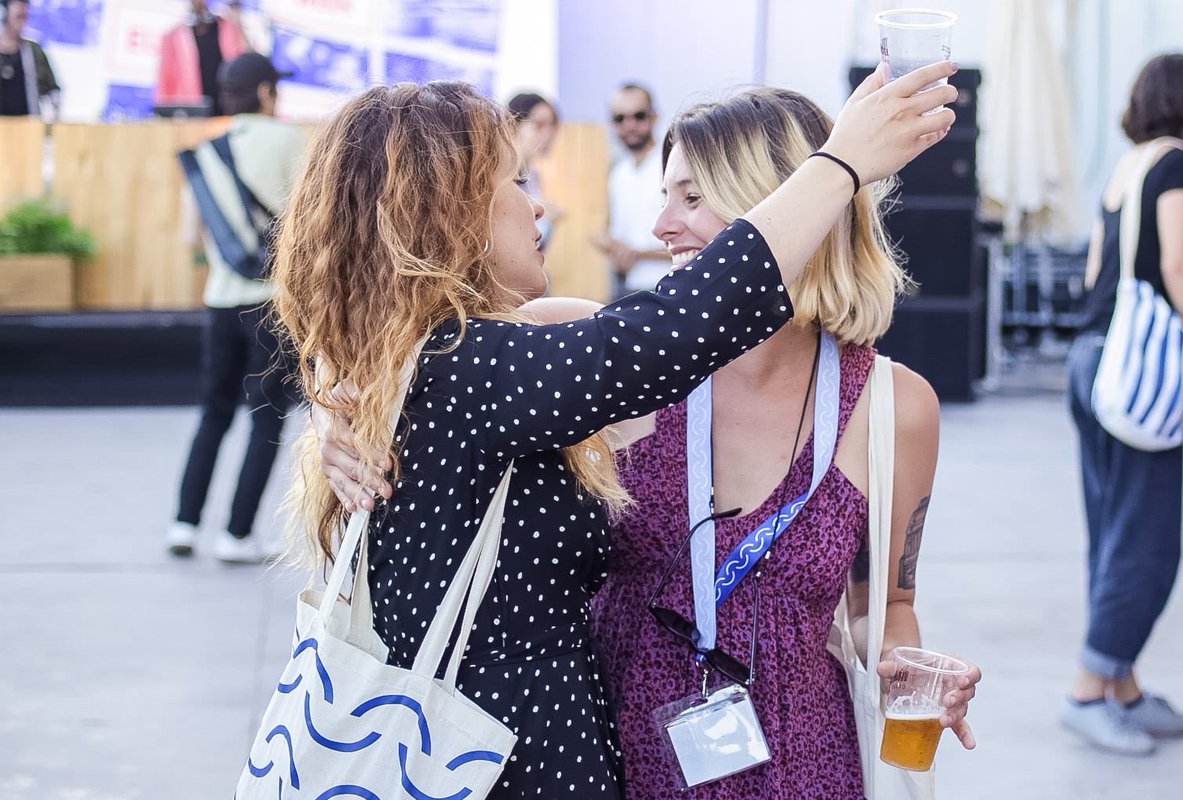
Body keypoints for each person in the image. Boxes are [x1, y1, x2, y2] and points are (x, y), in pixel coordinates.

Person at [280, 65, 958, 798]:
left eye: (693, 197)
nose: (662, 226)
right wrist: (331, 403)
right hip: (595, 750)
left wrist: (905, 670)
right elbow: (396, 340)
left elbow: (882, 607)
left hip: (796, 760)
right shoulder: (569, 354)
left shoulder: (893, 405)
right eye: (514, 181)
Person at [1062, 53, 1183, 755]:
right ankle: (1089, 689)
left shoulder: (1127, 166)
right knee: (1147, 542)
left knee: (1113, 531)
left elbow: (1095, 270)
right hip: (1140, 370)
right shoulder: (1179, 165)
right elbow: (1179, 265)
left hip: (1094, 360)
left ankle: (1123, 686)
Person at [166, 52, 307, 563]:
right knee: (266, 418)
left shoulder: (205, 154)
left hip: (220, 300)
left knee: (213, 413)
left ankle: (184, 524)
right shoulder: (289, 141)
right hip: (272, 305)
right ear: (266, 92)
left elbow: (191, 238)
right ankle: (238, 534)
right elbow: (308, 222)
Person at [590, 83, 672, 299]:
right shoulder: (619, 173)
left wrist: (637, 253)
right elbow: (616, 234)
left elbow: (700, 240)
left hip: (670, 286)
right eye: (620, 118)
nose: (630, 125)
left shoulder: (673, 164)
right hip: (627, 289)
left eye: (638, 116)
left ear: (654, 116)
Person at [156, 0, 249, 116]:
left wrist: (238, 25)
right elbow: (165, 81)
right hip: (192, 114)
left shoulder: (227, 28)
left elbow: (247, 63)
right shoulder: (174, 36)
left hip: (227, 112)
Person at [507, 92, 561, 252]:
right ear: (513, 125)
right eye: (539, 125)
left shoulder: (532, 176)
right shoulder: (500, 176)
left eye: (553, 125)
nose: (548, 134)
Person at [0, 0, 59, 118]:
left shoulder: (34, 51)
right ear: (5, 15)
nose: (22, 23)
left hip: (28, 128)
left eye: (25, 17)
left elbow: (53, 92)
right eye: (18, 17)